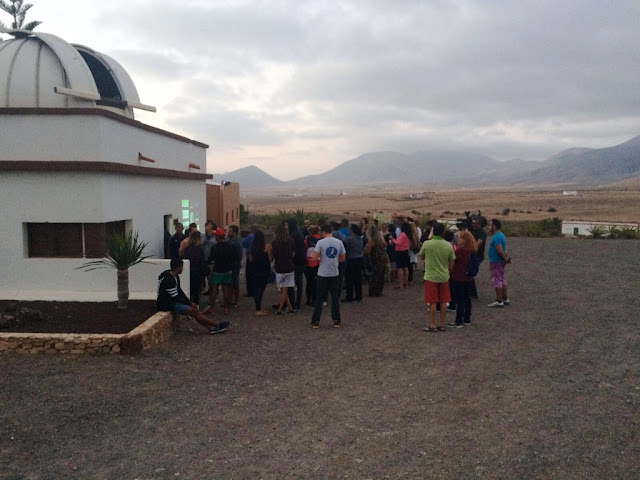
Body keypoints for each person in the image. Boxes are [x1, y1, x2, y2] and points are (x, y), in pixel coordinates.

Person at [157, 258, 229, 334]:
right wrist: (189, 303)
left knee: (194, 311)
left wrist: (189, 302)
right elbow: (176, 297)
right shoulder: (168, 280)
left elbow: (179, 291)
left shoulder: (174, 276)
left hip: (172, 301)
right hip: (167, 304)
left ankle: (211, 328)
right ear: (178, 267)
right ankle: (217, 325)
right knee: (194, 311)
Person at [419, 222, 455, 332]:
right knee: (443, 301)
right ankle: (442, 324)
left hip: (431, 276)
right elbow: (452, 261)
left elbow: (421, 256)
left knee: (432, 301)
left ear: (433, 231)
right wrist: (448, 272)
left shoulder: (427, 244)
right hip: (444, 276)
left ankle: (433, 324)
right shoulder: (448, 245)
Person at [310, 224, 346, 329]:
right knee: (335, 298)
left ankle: (315, 321)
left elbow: (314, 257)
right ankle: (336, 320)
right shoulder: (339, 242)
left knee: (319, 298)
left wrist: (321, 258)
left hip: (322, 273)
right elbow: (343, 258)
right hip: (334, 273)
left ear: (323, 232)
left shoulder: (320, 242)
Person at [205, 228, 239, 315]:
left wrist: (207, 262)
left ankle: (212, 308)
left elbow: (210, 259)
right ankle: (226, 308)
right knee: (226, 290)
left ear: (217, 236)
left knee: (214, 290)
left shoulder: (215, 247)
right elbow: (235, 257)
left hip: (217, 270)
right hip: (227, 270)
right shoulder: (230, 246)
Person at [447, 231, 476, 327]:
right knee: (467, 298)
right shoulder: (471, 250)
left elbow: (452, 261)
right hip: (468, 277)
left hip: (458, 277)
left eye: (460, 238)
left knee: (459, 300)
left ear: (464, 240)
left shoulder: (460, 251)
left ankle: (458, 320)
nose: (458, 239)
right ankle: (467, 318)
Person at [272, 222, 295, 315]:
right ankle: (290, 307)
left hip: (279, 267)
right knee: (285, 289)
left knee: (283, 289)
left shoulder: (275, 242)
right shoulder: (290, 240)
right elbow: (293, 253)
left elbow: (273, 256)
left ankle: (280, 309)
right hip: (289, 266)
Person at [247, 230, 272, 316]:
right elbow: (270, 259)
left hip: (255, 270)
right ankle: (258, 309)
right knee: (261, 289)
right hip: (264, 270)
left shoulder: (252, 248)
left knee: (256, 288)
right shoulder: (267, 247)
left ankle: (257, 307)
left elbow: (250, 259)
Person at [487, 219, 511, 307]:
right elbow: (504, 250)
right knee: (502, 279)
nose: (489, 227)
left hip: (496, 261)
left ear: (494, 226)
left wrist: (505, 259)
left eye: (490, 225)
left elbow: (500, 250)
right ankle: (505, 298)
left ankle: (499, 300)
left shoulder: (497, 237)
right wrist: (506, 258)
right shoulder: (501, 235)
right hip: (499, 261)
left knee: (497, 280)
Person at [181, 231, 207, 304]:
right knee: (197, 291)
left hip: (189, 271)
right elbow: (201, 261)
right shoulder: (200, 249)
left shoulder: (187, 249)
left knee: (190, 290)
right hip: (198, 272)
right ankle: (196, 305)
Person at [287, 218, 306, 312]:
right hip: (301, 261)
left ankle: (292, 303)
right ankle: (297, 303)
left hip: (295, 261)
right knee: (299, 283)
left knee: (291, 283)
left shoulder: (292, 235)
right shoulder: (299, 233)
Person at [364, 224, 387, 297]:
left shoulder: (371, 240)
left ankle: (372, 291)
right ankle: (379, 290)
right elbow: (385, 244)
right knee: (381, 274)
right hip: (382, 256)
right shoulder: (380, 238)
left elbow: (368, 251)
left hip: (375, 258)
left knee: (375, 275)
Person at [344, 224, 364, 302]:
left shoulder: (349, 239)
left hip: (351, 259)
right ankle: (359, 295)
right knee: (358, 278)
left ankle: (349, 296)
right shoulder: (360, 238)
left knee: (349, 279)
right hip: (359, 258)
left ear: (351, 230)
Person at [470, 216, 487, 299]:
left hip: (478, 256)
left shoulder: (482, 232)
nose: (473, 225)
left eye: (475, 223)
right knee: (469, 272)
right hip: (472, 255)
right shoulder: (472, 231)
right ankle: (471, 292)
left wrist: (472, 248)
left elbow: (479, 242)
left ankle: (473, 293)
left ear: (479, 224)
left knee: (471, 273)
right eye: (472, 223)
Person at [390, 222, 411, 289]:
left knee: (399, 268)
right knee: (405, 267)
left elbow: (398, 243)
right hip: (405, 251)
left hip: (400, 251)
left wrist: (392, 239)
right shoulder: (408, 234)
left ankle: (401, 284)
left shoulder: (402, 234)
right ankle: (406, 283)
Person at [304, 225, 322, 306]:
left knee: (309, 281)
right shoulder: (321, 240)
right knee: (317, 282)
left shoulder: (307, 240)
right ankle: (315, 299)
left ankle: (308, 299)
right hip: (318, 262)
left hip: (308, 263)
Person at [227, 225, 244, 307]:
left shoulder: (237, 242)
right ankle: (229, 300)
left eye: (230, 231)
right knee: (229, 283)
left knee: (234, 283)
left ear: (234, 233)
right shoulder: (229, 240)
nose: (228, 232)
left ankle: (236, 300)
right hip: (230, 265)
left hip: (235, 265)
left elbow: (239, 255)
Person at [242, 225, 258, 297]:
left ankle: (250, 292)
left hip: (250, 257)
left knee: (249, 275)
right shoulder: (259, 236)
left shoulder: (250, 236)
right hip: (257, 258)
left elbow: (244, 244)